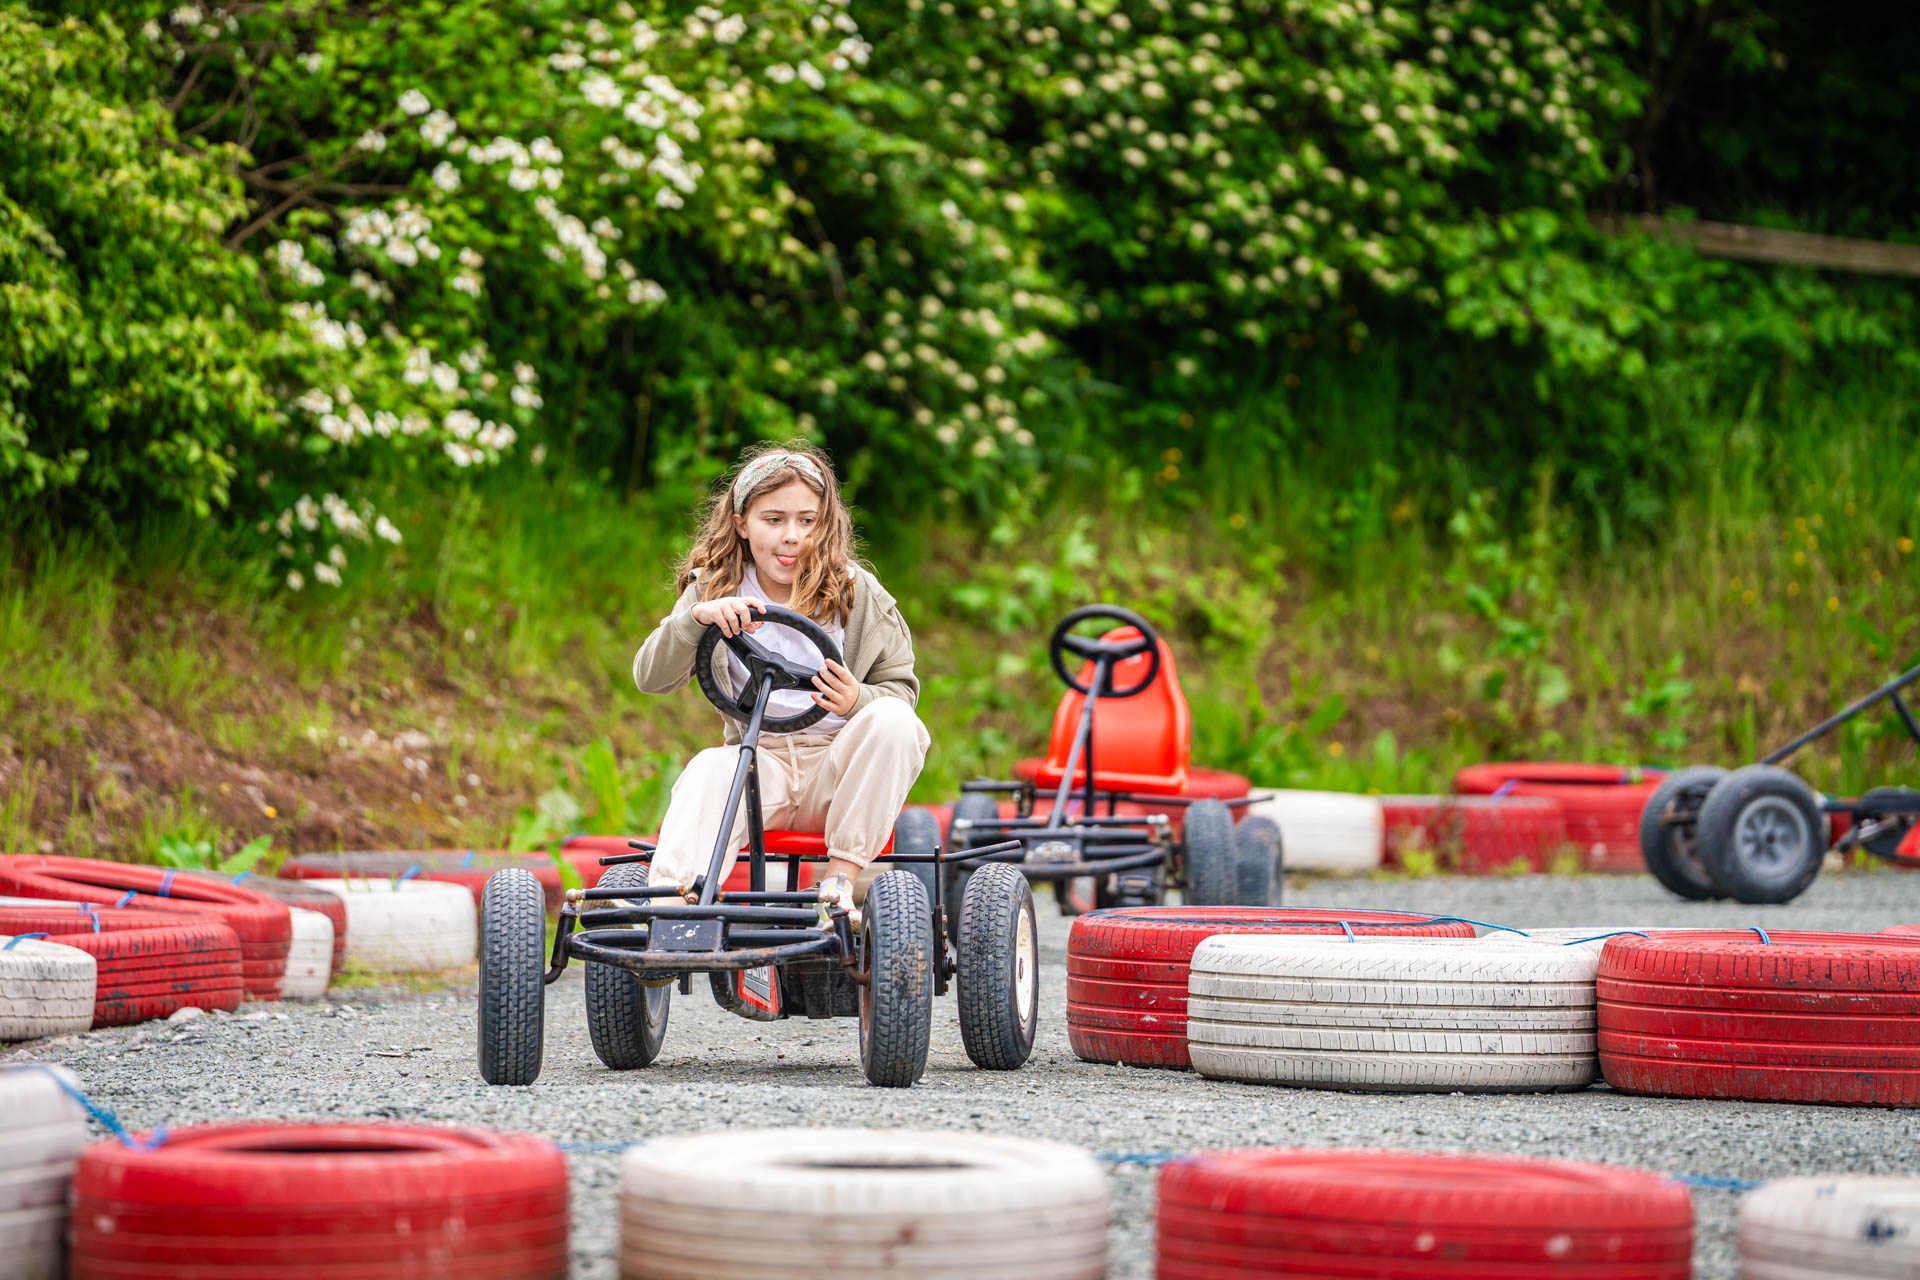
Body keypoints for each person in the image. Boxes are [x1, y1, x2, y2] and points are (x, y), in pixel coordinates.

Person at [631, 442, 930, 926]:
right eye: (774, 520)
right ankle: (669, 911)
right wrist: (695, 619)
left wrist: (858, 698)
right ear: (741, 523)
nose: (792, 537)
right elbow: (650, 679)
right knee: (709, 766)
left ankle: (837, 883)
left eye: (807, 521)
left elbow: (901, 692)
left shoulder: (859, 592)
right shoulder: (712, 589)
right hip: (758, 760)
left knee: (895, 721)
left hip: (835, 771)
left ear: (824, 524)